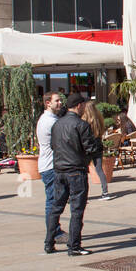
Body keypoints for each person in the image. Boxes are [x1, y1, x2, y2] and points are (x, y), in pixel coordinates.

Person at [46, 93, 98, 255]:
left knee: (56, 207)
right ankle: (74, 246)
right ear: (79, 105)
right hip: (76, 171)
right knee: (76, 210)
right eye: (83, 105)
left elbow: (53, 145)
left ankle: (49, 243)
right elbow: (90, 148)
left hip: (60, 170)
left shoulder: (57, 124)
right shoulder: (81, 125)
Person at [39, 94, 66, 242]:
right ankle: (54, 233)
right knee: (53, 201)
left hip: (50, 165)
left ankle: (55, 230)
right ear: (48, 103)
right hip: (51, 166)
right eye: (57, 101)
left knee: (54, 200)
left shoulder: (50, 120)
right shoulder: (50, 122)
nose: (60, 103)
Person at [84, 101, 110, 200]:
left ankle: (84, 194)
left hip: (88, 146)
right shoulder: (99, 119)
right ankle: (105, 192)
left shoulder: (85, 120)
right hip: (98, 144)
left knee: (84, 170)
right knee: (99, 169)